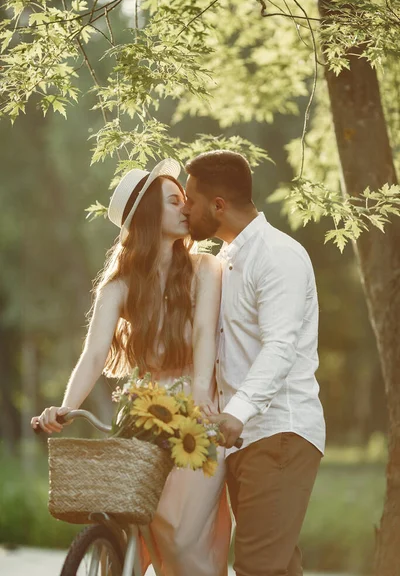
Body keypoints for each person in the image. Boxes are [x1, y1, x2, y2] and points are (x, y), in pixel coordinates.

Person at [31, 158, 231, 576]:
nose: (186, 208)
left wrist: (197, 395)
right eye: (174, 202)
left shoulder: (205, 268)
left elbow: (203, 337)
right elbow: (94, 355)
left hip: (197, 410)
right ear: (148, 217)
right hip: (146, 410)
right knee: (137, 515)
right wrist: (65, 407)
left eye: (184, 201)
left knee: (182, 533)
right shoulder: (120, 285)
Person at [182, 150, 326, 576]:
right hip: (244, 440)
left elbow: (280, 347)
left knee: (256, 567)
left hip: (279, 432)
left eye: (190, 200)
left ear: (218, 206)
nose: (186, 209)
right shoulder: (225, 261)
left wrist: (237, 413)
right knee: (276, 569)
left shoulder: (278, 255)